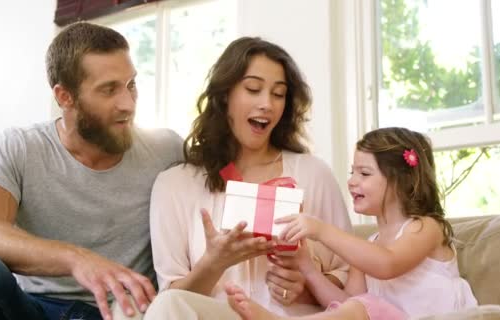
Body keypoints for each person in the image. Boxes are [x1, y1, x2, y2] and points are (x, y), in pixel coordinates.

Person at [0, 22, 183, 320]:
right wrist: (74, 258)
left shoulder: (167, 150)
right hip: (34, 309)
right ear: (64, 96)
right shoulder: (20, 146)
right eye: (109, 90)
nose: (128, 104)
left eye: (131, 84)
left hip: (122, 312)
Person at [143, 37, 353, 319]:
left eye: (278, 94)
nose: (267, 103)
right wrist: (214, 263)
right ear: (225, 95)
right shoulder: (175, 185)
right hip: (218, 315)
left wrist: (307, 285)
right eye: (253, 89)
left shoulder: (313, 174)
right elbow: (172, 300)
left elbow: (350, 274)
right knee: (166, 305)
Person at [225, 127, 478, 320]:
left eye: (364, 174)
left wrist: (321, 229)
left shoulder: (426, 228)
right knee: (357, 306)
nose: (352, 182)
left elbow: (387, 264)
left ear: (401, 181)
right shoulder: (369, 247)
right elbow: (349, 304)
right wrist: (308, 267)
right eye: (352, 172)